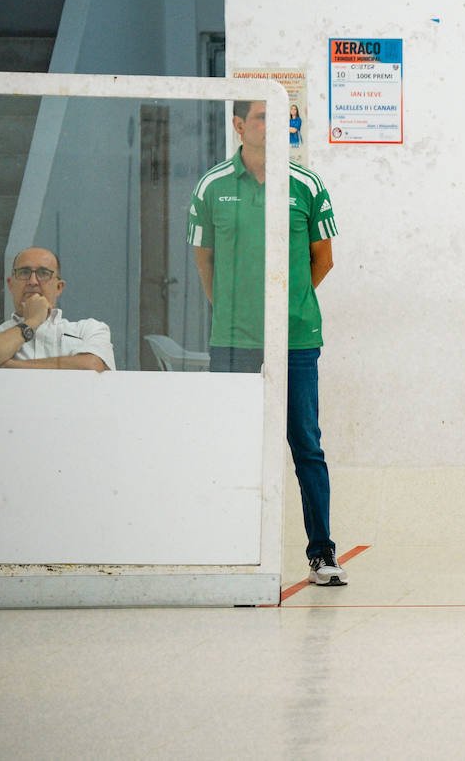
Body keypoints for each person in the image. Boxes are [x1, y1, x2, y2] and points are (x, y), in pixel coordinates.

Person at [187, 99, 345, 586]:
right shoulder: (211, 186)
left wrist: (287, 305)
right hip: (233, 341)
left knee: (306, 444)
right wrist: (234, 313)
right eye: (262, 117)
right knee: (230, 443)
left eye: (282, 119)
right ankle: (225, 548)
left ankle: (322, 552)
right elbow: (204, 260)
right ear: (239, 125)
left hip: (296, 340)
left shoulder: (308, 185)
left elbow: (324, 259)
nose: (274, 126)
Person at [0, 246, 114, 372]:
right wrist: (32, 322)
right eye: (24, 272)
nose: (32, 281)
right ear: (10, 284)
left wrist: (9, 366)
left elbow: (92, 366)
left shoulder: (89, 330)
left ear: (59, 287)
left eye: (43, 273)